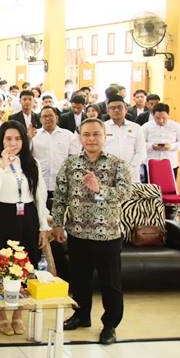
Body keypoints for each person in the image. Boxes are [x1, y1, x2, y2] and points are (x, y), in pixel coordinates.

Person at [53, 118, 131, 345]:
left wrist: (101, 189)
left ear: (105, 137)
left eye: (96, 134)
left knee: (111, 283)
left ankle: (110, 325)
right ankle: (81, 315)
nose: (91, 139)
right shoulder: (70, 164)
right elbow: (60, 197)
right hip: (77, 234)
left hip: (107, 235)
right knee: (79, 280)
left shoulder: (118, 164)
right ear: (80, 137)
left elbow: (126, 193)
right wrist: (57, 223)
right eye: (86, 134)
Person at [0, 121, 51, 336]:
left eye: (18, 138)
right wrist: (3, 164)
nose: (13, 143)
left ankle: (18, 313)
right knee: (1, 264)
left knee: (25, 265)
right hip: (3, 216)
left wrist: (43, 226)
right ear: (1, 140)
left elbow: (40, 196)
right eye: (8, 139)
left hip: (27, 217)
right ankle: (1, 314)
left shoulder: (31, 162)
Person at [33, 106, 81, 206]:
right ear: (40, 119)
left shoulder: (68, 135)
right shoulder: (33, 136)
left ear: (57, 118)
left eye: (50, 115)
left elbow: (75, 160)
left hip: (62, 185)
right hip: (39, 185)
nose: (47, 118)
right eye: (44, 116)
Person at [103, 95, 146, 183]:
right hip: (108, 174)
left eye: (119, 107)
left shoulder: (136, 127)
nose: (116, 110)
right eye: (112, 108)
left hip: (131, 175)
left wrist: (130, 168)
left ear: (126, 109)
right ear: (108, 111)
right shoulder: (101, 127)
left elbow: (141, 151)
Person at [142, 103, 180, 179]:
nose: (161, 121)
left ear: (168, 115)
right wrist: (151, 146)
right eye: (157, 118)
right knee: (151, 189)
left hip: (171, 163)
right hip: (150, 163)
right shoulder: (146, 127)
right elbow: (139, 144)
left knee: (170, 189)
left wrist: (171, 146)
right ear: (153, 115)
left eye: (164, 118)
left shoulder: (176, 126)